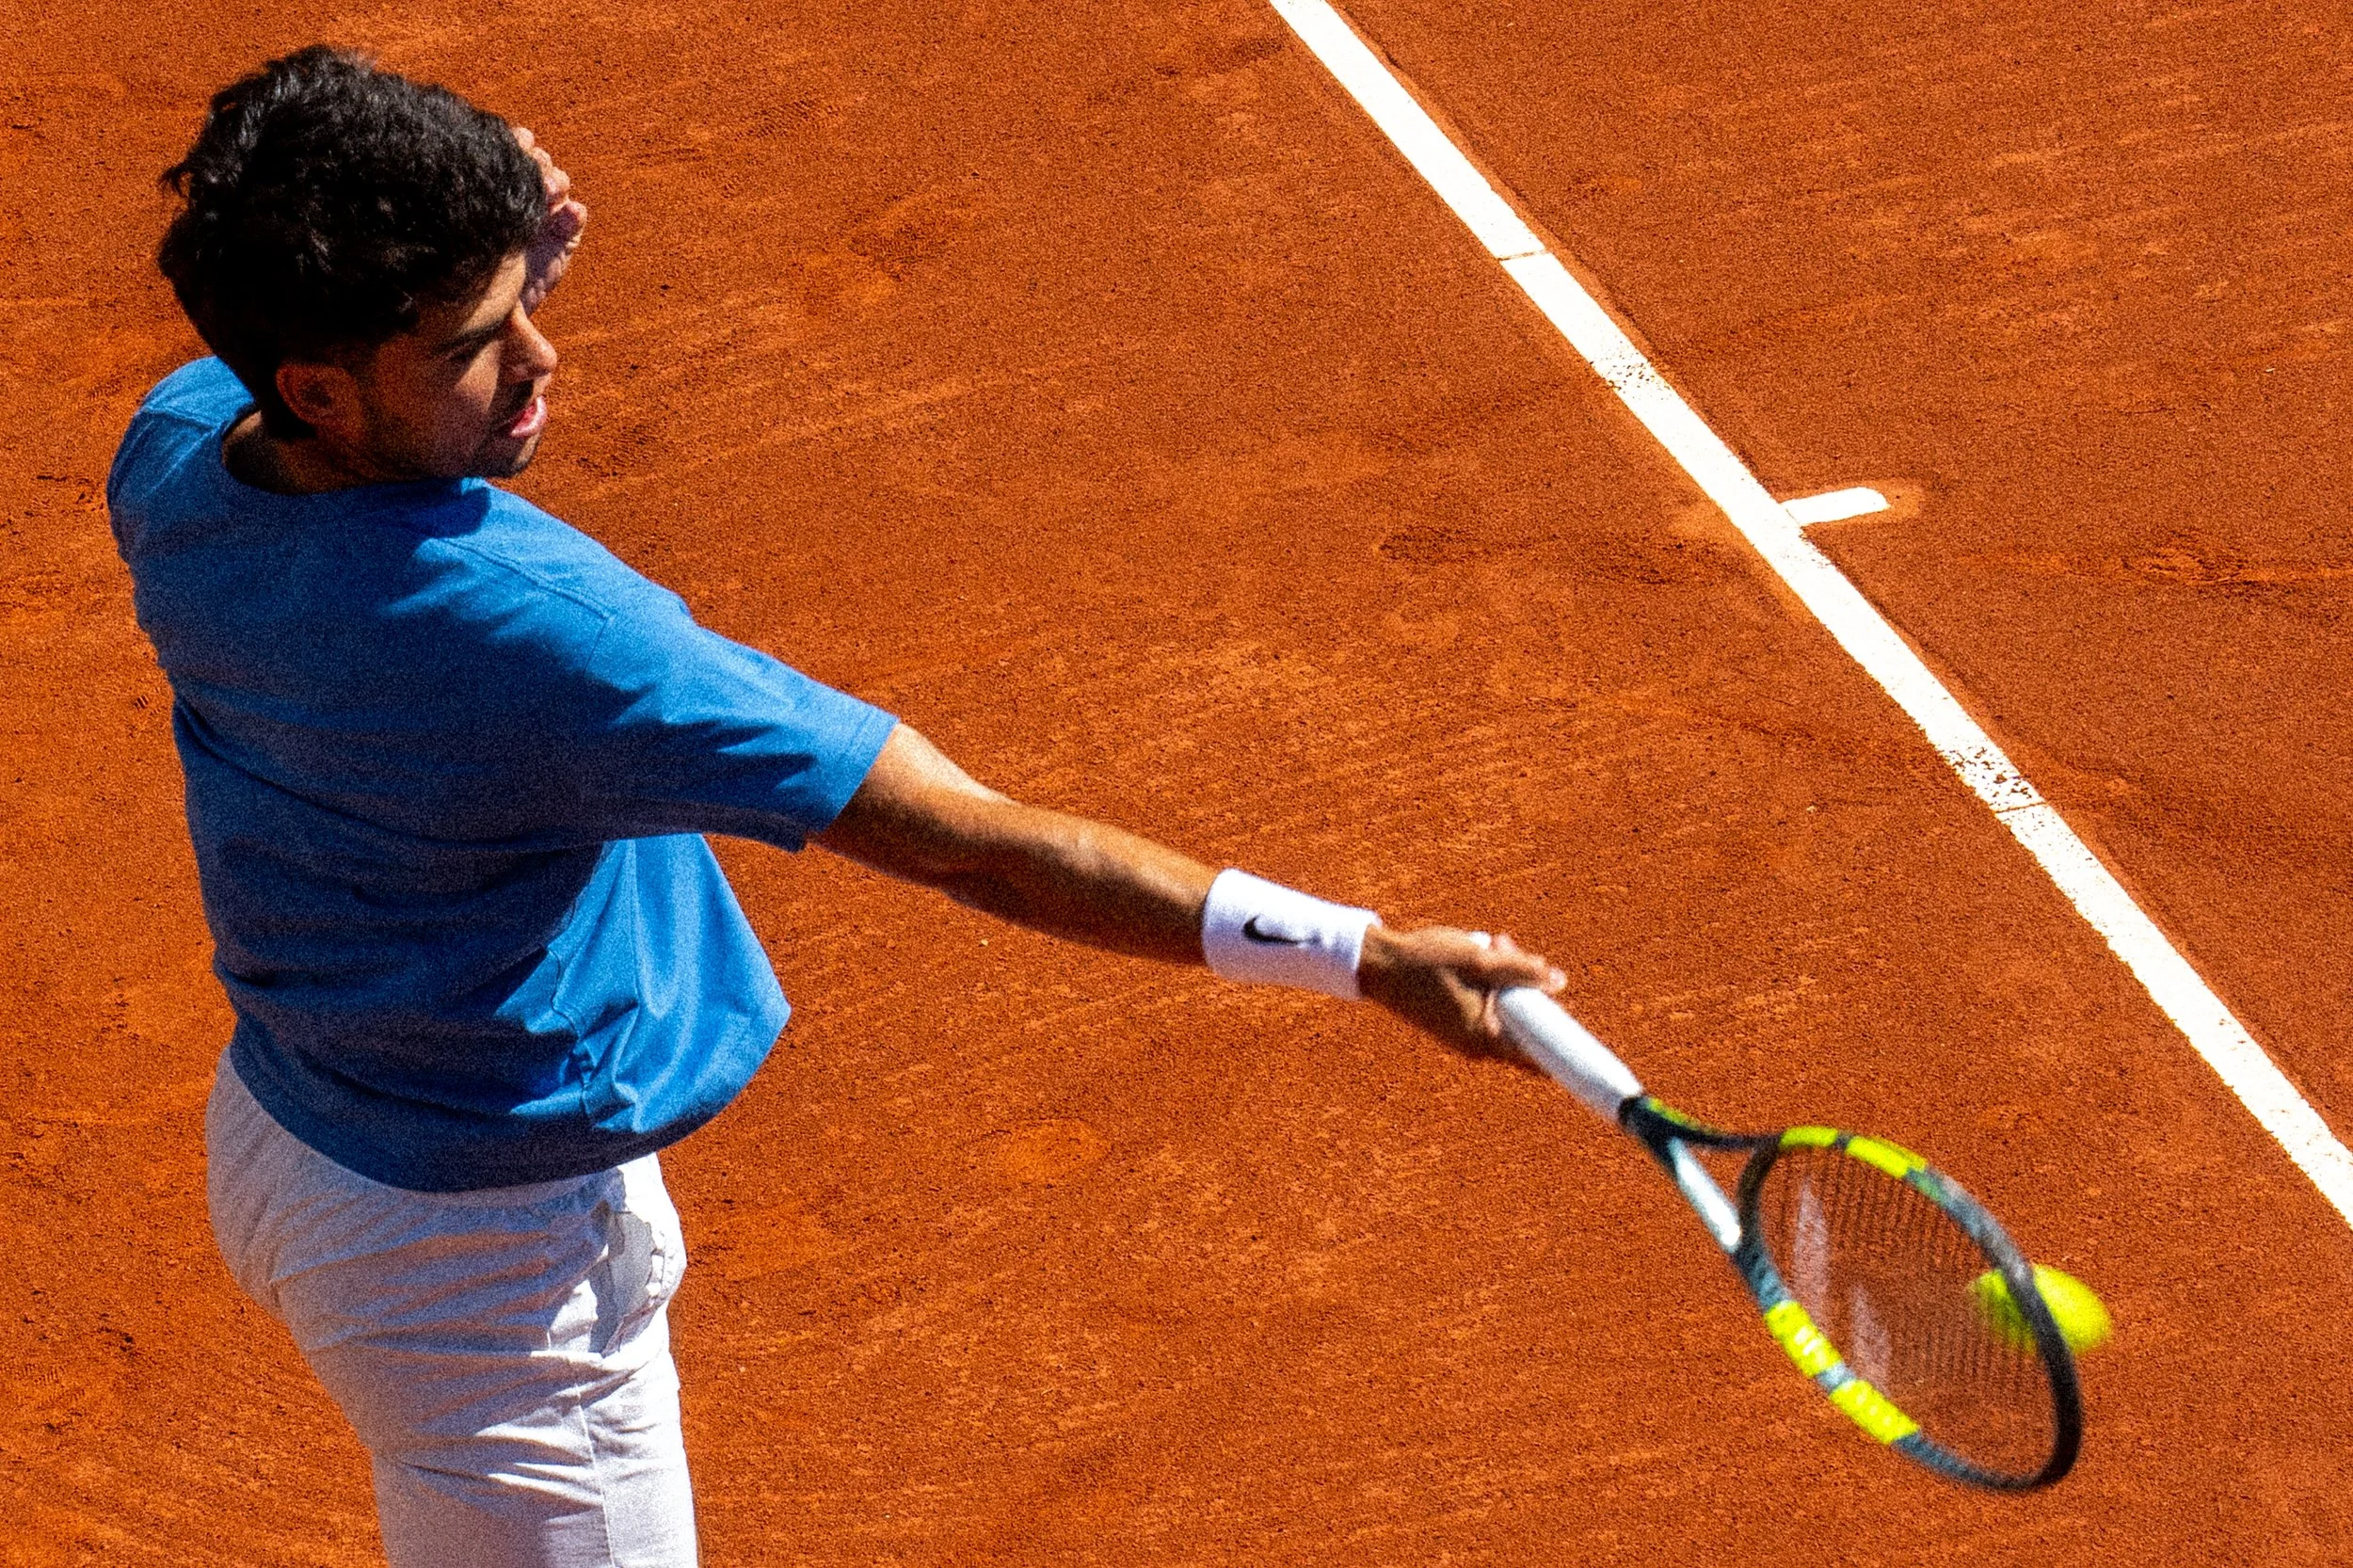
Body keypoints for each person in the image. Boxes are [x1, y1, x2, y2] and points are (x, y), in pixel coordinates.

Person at [108, 45, 1567, 1568]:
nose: (540, 358)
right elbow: (974, 843)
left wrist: (483, 245)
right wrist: (1361, 954)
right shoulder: (549, 641)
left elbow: (308, 360)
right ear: (322, 384)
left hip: (295, 1133)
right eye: (481, 338)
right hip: (481, 1269)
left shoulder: (178, 459)